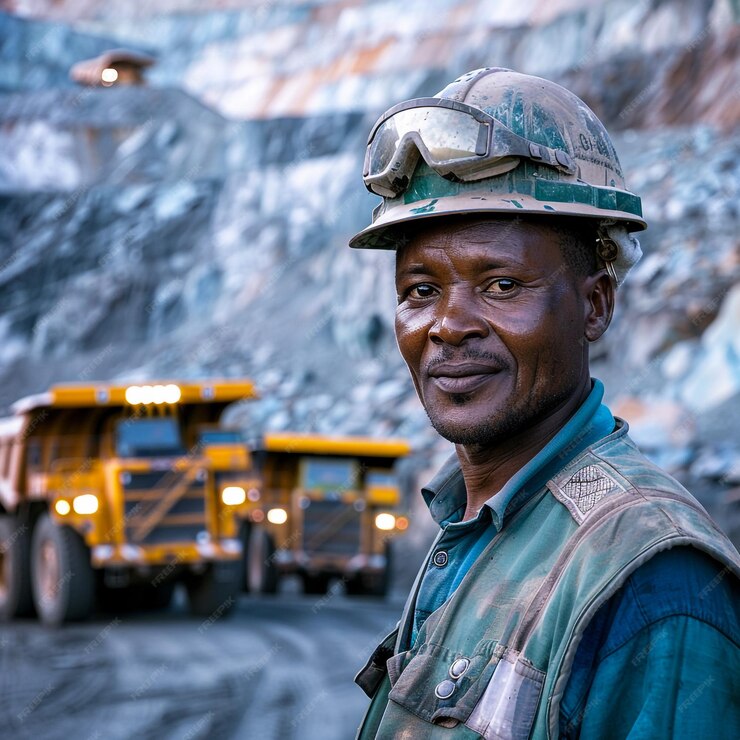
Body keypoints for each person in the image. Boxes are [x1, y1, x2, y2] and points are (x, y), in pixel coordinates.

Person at [349, 68, 740, 739]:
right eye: (420, 291)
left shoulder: (653, 580)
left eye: (501, 284)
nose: (448, 324)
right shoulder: (474, 524)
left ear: (594, 306)